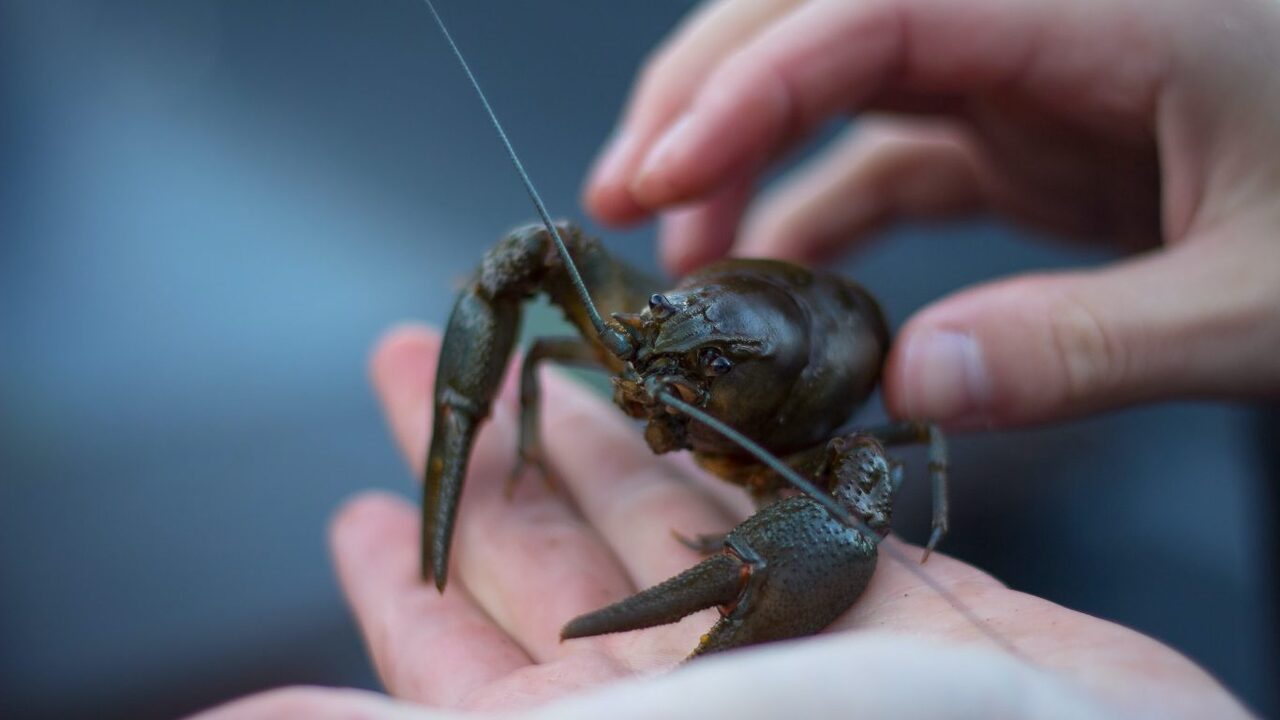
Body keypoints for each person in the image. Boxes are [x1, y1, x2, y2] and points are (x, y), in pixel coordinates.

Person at [196, 0, 1278, 717]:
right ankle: (495, 447)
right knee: (542, 250)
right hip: (748, 313)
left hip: (809, 392)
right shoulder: (657, 330)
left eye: (691, 372)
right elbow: (532, 267)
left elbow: (876, 473)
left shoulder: (823, 435)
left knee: (859, 485)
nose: (644, 380)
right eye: (656, 333)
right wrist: (516, 406)